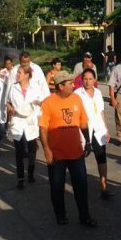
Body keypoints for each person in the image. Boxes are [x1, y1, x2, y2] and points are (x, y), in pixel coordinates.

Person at [38, 71, 96, 227]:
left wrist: (88, 141)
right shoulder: (48, 102)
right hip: (57, 155)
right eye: (70, 83)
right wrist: (47, 150)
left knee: (81, 187)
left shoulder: (77, 99)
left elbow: (83, 123)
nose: (73, 85)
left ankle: (85, 216)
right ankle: (60, 214)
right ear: (61, 86)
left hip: (76, 153)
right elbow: (43, 128)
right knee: (57, 187)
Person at [75, 68, 112, 199]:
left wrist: (106, 129)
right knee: (80, 160)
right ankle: (80, 187)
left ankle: (104, 187)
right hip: (83, 131)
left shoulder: (97, 92)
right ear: (81, 80)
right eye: (85, 79)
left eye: (90, 79)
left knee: (101, 158)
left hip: (98, 130)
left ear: (95, 80)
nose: (88, 81)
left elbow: (101, 112)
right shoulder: (77, 94)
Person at [7, 65, 44, 188]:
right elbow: (8, 102)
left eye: (20, 73)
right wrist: (10, 108)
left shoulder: (35, 88)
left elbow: (42, 103)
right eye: (17, 72)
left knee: (32, 149)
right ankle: (20, 178)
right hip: (17, 122)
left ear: (27, 74)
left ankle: (31, 173)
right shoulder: (13, 87)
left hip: (30, 122)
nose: (17, 75)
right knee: (19, 151)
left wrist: (38, 103)